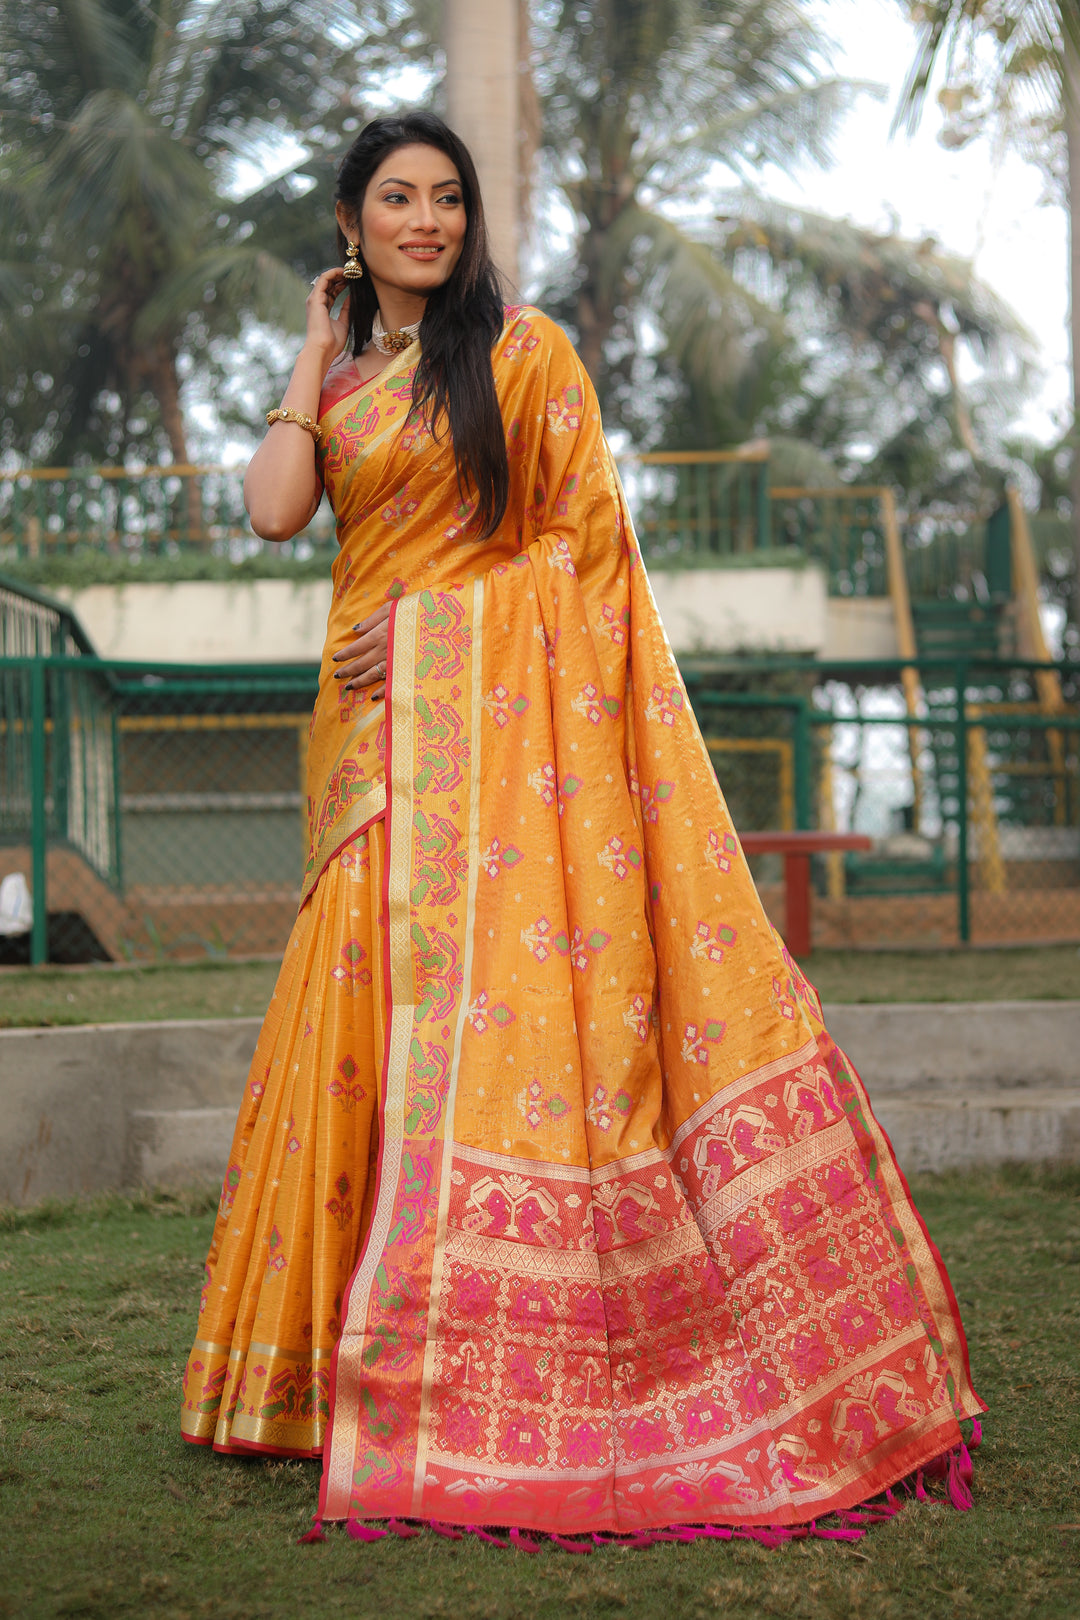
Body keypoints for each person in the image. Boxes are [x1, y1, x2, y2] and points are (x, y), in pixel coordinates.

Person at [181, 110, 982, 1541]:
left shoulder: (524, 356)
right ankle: (301, 1381)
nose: (424, 221)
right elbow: (272, 512)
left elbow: (581, 549)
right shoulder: (353, 380)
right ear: (352, 227)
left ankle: (449, 1364)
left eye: (445, 199)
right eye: (394, 200)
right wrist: (316, 348)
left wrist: (439, 632)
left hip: (485, 751)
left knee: (466, 1035)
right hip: (367, 749)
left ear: (469, 220)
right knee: (351, 1021)